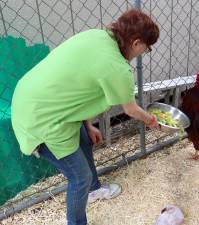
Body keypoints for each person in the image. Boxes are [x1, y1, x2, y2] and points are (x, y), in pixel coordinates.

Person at [11, 8, 160, 225]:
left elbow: (78, 87)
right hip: (42, 120)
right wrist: (153, 121)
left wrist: (88, 125)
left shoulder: (97, 36)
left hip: (31, 99)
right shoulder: (117, 68)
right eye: (147, 48)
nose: (144, 52)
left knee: (84, 139)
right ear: (137, 43)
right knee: (80, 178)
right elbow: (131, 109)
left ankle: (93, 190)